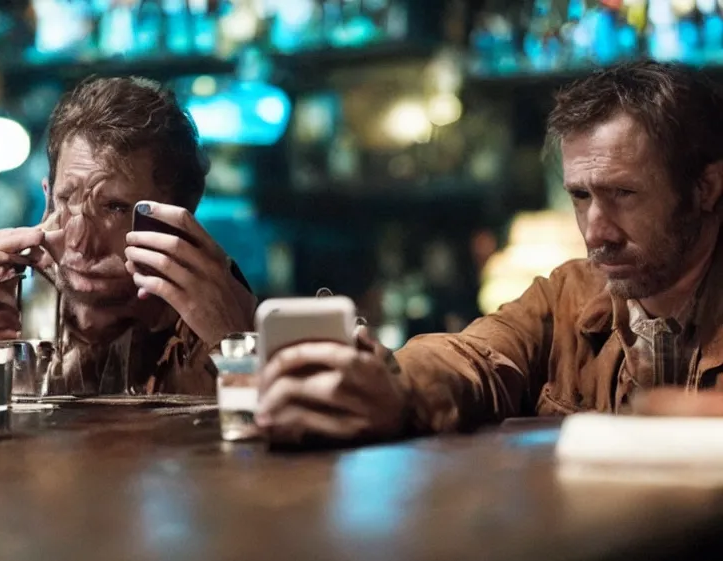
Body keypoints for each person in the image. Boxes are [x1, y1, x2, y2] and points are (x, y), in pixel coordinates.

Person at [257, 60, 723, 444]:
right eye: (580, 197)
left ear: (706, 187)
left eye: (623, 193)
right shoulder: (570, 294)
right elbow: (474, 355)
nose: (597, 232)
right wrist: (394, 387)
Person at [0, 77, 256, 395]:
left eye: (115, 208)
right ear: (46, 199)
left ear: (179, 214)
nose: (79, 242)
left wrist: (236, 350)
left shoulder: (219, 309)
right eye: (65, 200)